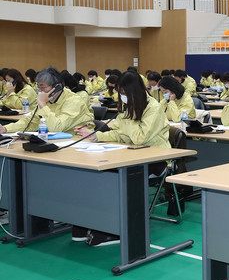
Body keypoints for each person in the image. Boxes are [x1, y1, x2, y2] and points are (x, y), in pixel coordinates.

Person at [76, 71, 170, 246]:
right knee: (97, 174)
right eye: (121, 93)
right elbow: (119, 133)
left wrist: (130, 116)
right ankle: (89, 222)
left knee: (114, 178)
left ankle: (115, 229)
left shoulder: (153, 108)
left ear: (135, 92)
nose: (122, 97)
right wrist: (96, 136)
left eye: (125, 93)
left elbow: (139, 138)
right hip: (130, 155)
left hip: (155, 159)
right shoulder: (128, 107)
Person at [0, 67, 93, 134]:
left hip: (78, 141)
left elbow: (57, 128)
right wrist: (5, 129)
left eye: (43, 87)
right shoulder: (47, 99)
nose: (40, 92)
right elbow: (31, 123)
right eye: (38, 87)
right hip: (56, 141)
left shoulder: (74, 101)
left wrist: (43, 105)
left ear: (58, 87)